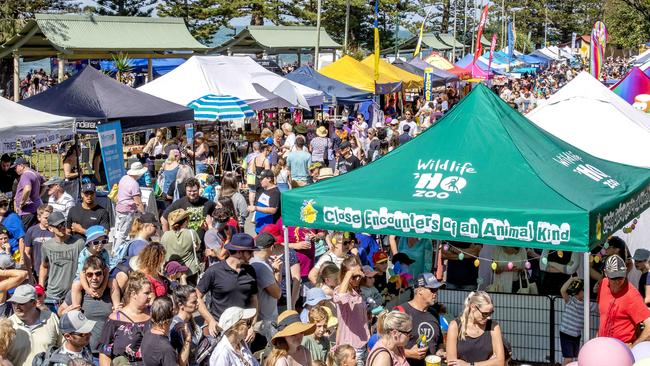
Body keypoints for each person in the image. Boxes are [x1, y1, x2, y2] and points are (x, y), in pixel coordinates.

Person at [197, 233, 258, 332]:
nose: (252, 255)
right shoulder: (214, 271)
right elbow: (197, 297)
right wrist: (211, 320)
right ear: (239, 252)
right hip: (221, 330)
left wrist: (252, 327)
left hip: (243, 331)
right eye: (250, 252)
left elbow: (254, 300)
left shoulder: (250, 270)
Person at [59, 256, 112, 362]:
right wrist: (66, 312)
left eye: (98, 273)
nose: (94, 278)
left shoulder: (112, 291)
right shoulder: (78, 292)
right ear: (85, 275)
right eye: (90, 274)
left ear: (104, 273)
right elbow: (61, 311)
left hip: (108, 353)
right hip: (85, 352)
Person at [98, 271, 152, 366]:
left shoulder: (153, 315)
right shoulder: (115, 320)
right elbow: (104, 354)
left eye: (150, 292)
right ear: (134, 294)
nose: (150, 296)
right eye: (146, 293)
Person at [596, 254, 650, 346]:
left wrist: (634, 346)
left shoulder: (632, 295)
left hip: (621, 349)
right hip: (602, 346)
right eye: (614, 278)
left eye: (620, 277)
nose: (617, 281)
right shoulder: (603, 284)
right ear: (606, 273)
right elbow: (604, 316)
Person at [396, 273, 444, 366]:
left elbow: (439, 342)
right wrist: (409, 353)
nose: (435, 293)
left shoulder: (434, 313)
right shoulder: (401, 311)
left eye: (437, 290)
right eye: (432, 290)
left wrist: (440, 352)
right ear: (420, 290)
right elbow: (387, 347)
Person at [6, 284, 61, 366]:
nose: (16, 307)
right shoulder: (7, 325)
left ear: (34, 303)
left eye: (21, 303)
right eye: (14, 302)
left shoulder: (51, 318)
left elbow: (62, 347)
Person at [446, 291, 505, 366]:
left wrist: (469, 365)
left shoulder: (493, 326)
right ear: (473, 307)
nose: (489, 317)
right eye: (485, 314)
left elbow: (500, 362)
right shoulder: (455, 326)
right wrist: (489, 363)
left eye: (491, 313)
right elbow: (452, 363)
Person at [39, 211, 85, 305]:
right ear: (51, 228)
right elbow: (44, 266)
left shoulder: (78, 243)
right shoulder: (46, 246)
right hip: (52, 295)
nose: (62, 227)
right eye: (58, 226)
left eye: (63, 224)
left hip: (72, 294)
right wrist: (41, 288)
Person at [333, 256, 369, 365]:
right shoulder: (339, 289)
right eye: (355, 276)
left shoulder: (357, 291)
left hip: (363, 343)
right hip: (350, 347)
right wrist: (349, 274)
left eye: (359, 275)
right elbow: (340, 297)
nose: (357, 279)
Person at [249, 232, 282, 345]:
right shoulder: (262, 267)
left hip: (257, 320)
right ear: (272, 247)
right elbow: (277, 294)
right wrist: (277, 272)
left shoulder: (252, 261)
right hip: (265, 322)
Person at [112, 162, 147, 267]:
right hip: (127, 211)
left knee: (117, 232)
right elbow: (138, 202)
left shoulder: (124, 178)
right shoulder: (134, 184)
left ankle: (115, 251)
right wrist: (144, 213)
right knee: (123, 233)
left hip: (119, 208)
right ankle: (116, 255)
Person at [69, 226, 111, 308]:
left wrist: (102, 289)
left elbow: (106, 271)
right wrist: (88, 290)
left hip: (101, 275)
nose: (100, 245)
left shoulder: (104, 253)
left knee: (113, 282)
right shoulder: (84, 254)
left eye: (103, 241)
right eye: (96, 242)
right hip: (85, 276)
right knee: (76, 285)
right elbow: (82, 273)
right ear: (88, 243)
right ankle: (76, 307)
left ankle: (116, 305)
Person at [142, 295, 190, 366]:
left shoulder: (147, 333)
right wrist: (188, 339)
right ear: (170, 317)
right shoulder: (166, 349)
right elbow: (182, 364)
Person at [559, 277, 596, 366]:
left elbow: (600, 308)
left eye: (581, 290)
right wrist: (571, 280)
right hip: (566, 333)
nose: (579, 293)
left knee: (574, 358)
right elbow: (562, 290)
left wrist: (597, 289)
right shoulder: (571, 300)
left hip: (576, 335)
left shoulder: (588, 304)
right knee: (568, 359)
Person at [161, 209, 201, 284]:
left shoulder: (165, 235)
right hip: (190, 270)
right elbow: (197, 248)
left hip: (172, 272)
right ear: (185, 221)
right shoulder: (191, 233)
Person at [170, 285, 202, 366]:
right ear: (181, 305)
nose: (198, 303)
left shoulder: (189, 320)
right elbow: (180, 362)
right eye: (194, 302)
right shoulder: (176, 328)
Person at [13, 157, 45, 228]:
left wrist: (22, 203)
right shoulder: (35, 173)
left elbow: (27, 189)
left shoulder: (25, 175)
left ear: (21, 165)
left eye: (15, 167)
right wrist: (39, 195)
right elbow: (44, 184)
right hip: (34, 209)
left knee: (26, 234)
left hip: (27, 212)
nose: (15, 170)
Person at [249, 169, 281, 233]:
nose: (260, 181)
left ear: (269, 179)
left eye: (262, 179)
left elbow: (273, 210)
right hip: (260, 226)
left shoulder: (275, 193)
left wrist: (255, 208)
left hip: (268, 229)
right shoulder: (264, 190)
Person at [0, 193, 26, 265]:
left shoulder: (13, 217)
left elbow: (22, 238)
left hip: (14, 254)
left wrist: (22, 258)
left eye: (5, 204)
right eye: (0, 204)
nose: (3, 207)